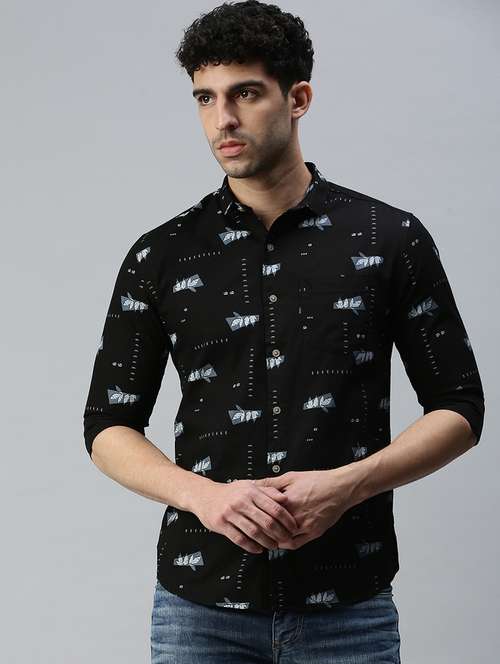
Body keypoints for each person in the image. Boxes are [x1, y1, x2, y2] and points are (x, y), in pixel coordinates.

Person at [82, 1, 485, 662]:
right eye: (205, 98)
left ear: (298, 99)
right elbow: (107, 425)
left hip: (348, 608)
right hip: (198, 611)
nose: (223, 119)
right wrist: (203, 498)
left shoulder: (388, 239)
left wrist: (350, 484)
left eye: (245, 93)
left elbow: (461, 408)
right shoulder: (161, 255)